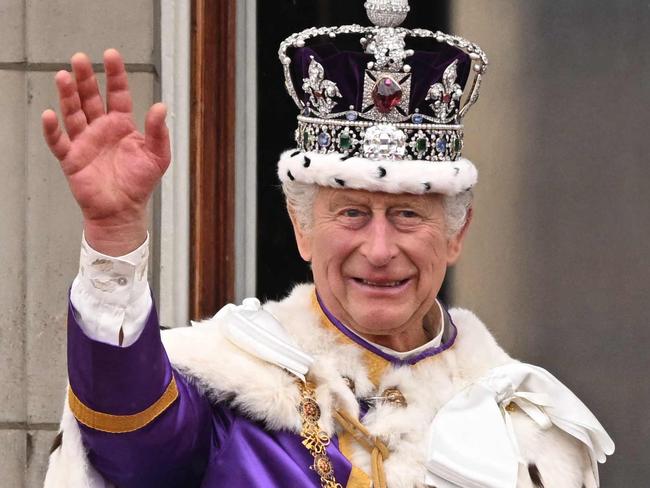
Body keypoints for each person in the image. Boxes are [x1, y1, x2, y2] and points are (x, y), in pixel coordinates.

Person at [43, 2, 613, 487]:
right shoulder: (227, 390)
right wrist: (114, 238)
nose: (380, 248)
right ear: (302, 228)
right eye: (353, 214)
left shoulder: (522, 421)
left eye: (408, 214)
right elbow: (129, 434)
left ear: (456, 233)